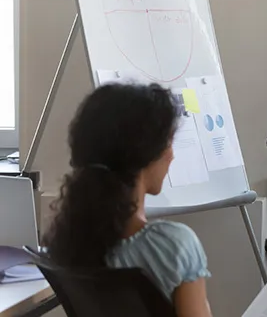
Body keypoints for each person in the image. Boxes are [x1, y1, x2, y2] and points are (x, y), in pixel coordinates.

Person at [43, 83, 212, 317]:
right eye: (169, 143)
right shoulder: (174, 246)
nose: (172, 154)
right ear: (146, 153)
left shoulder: (64, 239)